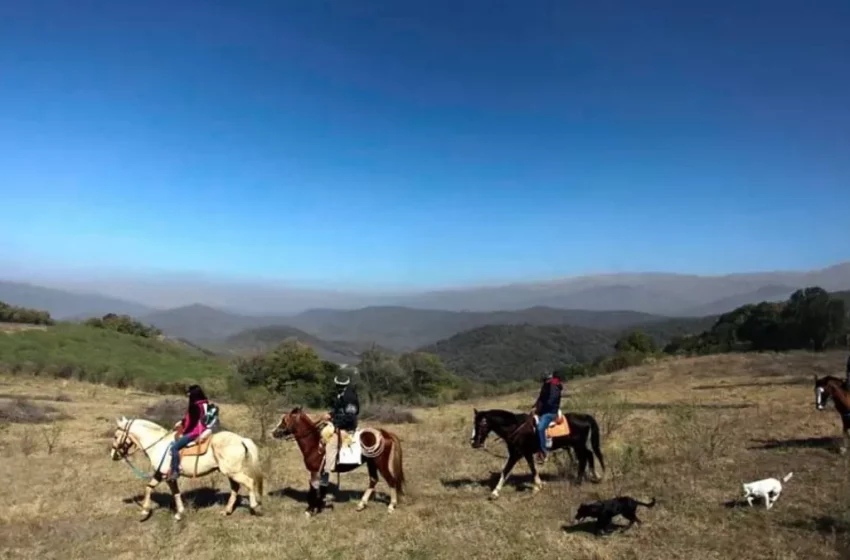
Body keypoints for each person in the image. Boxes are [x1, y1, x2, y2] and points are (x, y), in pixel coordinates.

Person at [167, 384, 213, 481]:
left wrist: (183, 430)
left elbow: (191, 421)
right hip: (205, 429)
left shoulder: (195, 406)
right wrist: (182, 421)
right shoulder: (205, 403)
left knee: (174, 447)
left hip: (195, 432)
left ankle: (175, 471)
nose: (188, 395)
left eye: (189, 393)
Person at [322, 375, 360, 473]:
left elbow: (350, 416)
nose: (338, 387)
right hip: (339, 422)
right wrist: (330, 414)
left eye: (339, 386)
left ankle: (327, 471)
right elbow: (339, 410)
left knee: (331, 444)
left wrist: (336, 425)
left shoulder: (349, 397)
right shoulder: (341, 394)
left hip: (347, 426)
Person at [532, 371, 563, 463]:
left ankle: (544, 451)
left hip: (550, 413)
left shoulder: (554, 387)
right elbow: (541, 398)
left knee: (540, 428)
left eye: (546, 380)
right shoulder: (546, 387)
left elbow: (551, 401)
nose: (545, 382)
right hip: (543, 412)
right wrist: (534, 406)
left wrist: (540, 409)